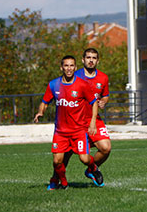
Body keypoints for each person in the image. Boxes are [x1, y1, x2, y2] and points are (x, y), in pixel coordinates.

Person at [33, 55, 104, 189]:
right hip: (60, 132)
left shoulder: (82, 84)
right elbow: (45, 102)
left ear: (75, 67)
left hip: (79, 131)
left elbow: (94, 103)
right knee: (57, 161)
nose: (69, 68)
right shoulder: (54, 84)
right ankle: (64, 183)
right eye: (66, 65)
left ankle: (93, 168)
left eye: (71, 65)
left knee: (84, 159)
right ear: (61, 68)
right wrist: (40, 112)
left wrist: (93, 122)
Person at [74, 47, 113, 184]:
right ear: (83, 60)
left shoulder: (103, 77)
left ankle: (92, 170)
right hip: (76, 120)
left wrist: (104, 101)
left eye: (94, 58)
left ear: (98, 61)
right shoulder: (75, 76)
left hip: (94, 119)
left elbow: (105, 95)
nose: (91, 60)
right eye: (88, 57)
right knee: (66, 154)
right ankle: (57, 180)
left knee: (106, 148)